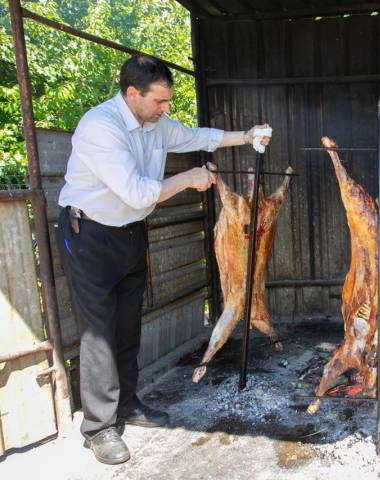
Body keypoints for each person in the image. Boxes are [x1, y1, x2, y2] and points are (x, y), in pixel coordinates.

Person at [54, 54, 271, 465]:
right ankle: (98, 428)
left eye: (168, 102)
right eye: (159, 102)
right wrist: (188, 180)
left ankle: (128, 405)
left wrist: (246, 135)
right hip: (90, 235)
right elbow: (136, 193)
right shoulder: (100, 127)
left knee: (128, 322)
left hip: (129, 233)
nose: (165, 109)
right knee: (99, 331)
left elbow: (195, 137)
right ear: (132, 94)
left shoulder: (155, 123)